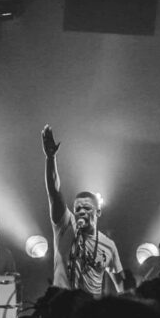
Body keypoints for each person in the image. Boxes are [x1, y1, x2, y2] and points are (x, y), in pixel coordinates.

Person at [42, 125, 124, 298]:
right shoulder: (65, 226)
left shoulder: (108, 245)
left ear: (98, 212)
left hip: (89, 316)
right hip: (60, 309)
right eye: (77, 208)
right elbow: (54, 192)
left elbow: (121, 285)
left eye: (87, 208)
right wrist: (51, 158)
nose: (81, 212)